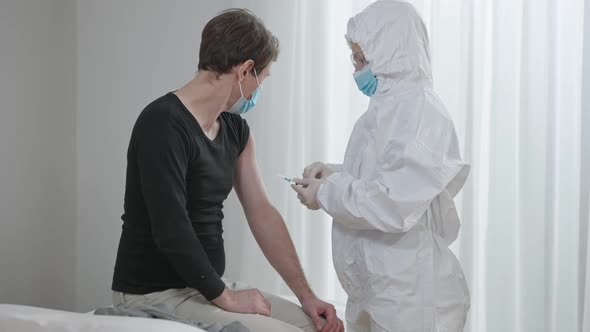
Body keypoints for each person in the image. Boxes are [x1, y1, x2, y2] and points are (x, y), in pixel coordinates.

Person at [111, 8, 344, 332]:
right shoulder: (162, 124)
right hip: (153, 294)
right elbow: (170, 227)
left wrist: (307, 295)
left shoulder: (236, 132)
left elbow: (262, 213)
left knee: (310, 325)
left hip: (204, 289)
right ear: (245, 70)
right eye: (262, 80)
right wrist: (227, 298)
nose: (258, 90)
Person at [291, 1, 471, 331]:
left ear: (391, 54)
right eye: (355, 58)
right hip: (378, 289)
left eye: (362, 59)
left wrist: (328, 191)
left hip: (409, 298)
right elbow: (375, 178)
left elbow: (393, 203)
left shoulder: (422, 114)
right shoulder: (381, 112)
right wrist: (332, 174)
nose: (356, 68)